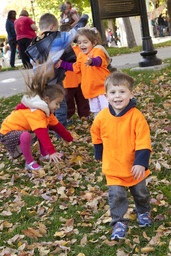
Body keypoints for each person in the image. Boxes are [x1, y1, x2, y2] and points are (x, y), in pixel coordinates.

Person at [91, 71, 152, 241]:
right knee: (116, 196)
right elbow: (95, 134)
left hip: (134, 167)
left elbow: (143, 141)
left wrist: (141, 162)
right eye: (113, 92)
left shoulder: (136, 117)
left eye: (122, 92)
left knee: (140, 192)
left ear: (131, 94)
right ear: (106, 95)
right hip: (113, 167)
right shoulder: (102, 117)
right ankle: (119, 221)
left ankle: (143, 211)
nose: (117, 96)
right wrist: (99, 153)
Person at [0, 67, 75, 171]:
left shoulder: (46, 112)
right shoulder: (37, 112)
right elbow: (42, 134)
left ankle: (44, 155)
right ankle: (29, 163)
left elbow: (58, 127)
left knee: (44, 126)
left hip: (20, 130)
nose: (58, 106)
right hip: (7, 133)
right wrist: (52, 151)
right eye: (57, 103)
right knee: (29, 134)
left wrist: (70, 138)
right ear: (47, 100)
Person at [25, 12, 88, 135]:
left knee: (42, 105)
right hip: (53, 80)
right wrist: (84, 17)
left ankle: (40, 129)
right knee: (60, 105)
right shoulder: (57, 38)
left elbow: (31, 62)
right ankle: (60, 133)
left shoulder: (34, 43)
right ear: (52, 27)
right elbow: (75, 31)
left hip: (39, 81)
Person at [55, 27, 110, 118]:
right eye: (79, 42)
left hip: (102, 88)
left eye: (85, 42)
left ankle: (111, 126)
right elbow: (76, 68)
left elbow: (99, 60)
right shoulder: (81, 55)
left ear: (94, 42)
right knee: (97, 112)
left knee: (106, 109)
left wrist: (91, 61)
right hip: (91, 90)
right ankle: (99, 126)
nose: (82, 45)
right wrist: (62, 64)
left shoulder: (97, 51)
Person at [60, 23, 90, 123]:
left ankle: (85, 115)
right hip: (67, 82)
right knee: (68, 101)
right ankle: (68, 117)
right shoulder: (60, 51)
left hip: (80, 80)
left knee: (82, 99)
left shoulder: (78, 48)